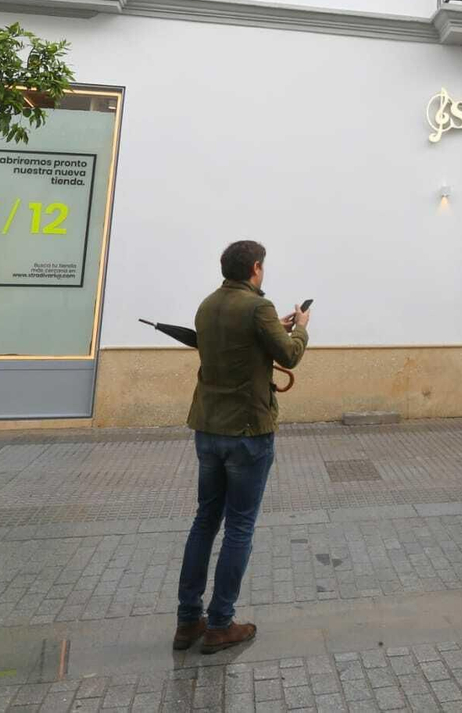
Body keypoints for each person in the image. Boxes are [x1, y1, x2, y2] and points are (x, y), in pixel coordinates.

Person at [174, 239, 310, 653]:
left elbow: (239, 344)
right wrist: (300, 328)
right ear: (255, 267)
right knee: (239, 526)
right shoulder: (257, 307)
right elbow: (288, 354)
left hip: (208, 428)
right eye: (262, 267)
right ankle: (220, 624)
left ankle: (187, 621)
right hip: (247, 432)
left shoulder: (208, 304)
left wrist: (274, 328)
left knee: (204, 521)